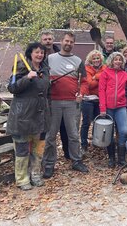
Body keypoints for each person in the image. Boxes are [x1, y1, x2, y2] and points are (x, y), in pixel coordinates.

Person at [42, 32, 89, 178]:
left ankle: (76, 160)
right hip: (53, 102)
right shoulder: (49, 58)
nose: (68, 44)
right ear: (61, 41)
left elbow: (85, 82)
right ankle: (49, 164)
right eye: (66, 41)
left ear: (74, 44)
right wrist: (46, 82)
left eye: (71, 42)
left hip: (71, 103)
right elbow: (42, 76)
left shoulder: (78, 61)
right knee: (50, 136)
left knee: (73, 135)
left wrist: (81, 93)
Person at [7, 42, 49, 190]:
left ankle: (35, 175)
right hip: (23, 115)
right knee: (22, 149)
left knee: (39, 149)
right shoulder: (21, 66)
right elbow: (12, 88)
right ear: (30, 53)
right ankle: (22, 179)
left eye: (42, 53)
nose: (40, 55)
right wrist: (27, 78)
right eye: (37, 52)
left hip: (41, 115)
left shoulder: (44, 69)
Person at [40, 30, 69, 160]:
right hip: (44, 97)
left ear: (53, 40)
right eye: (45, 39)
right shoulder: (37, 54)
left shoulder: (59, 53)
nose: (48, 41)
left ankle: (68, 152)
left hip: (59, 95)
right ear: (41, 41)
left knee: (64, 126)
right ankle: (43, 155)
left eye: (50, 39)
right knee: (46, 128)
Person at [80, 50, 106, 153]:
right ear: (91, 59)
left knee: (97, 122)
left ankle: (96, 142)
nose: (96, 60)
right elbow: (89, 84)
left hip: (100, 99)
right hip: (88, 99)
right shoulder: (86, 69)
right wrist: (100, 77)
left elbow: (106, 81)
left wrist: (96, 76)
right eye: (94, 58)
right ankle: (84, 144)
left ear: (101, 59)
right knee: (86, 122)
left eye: (98, 58)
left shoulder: (105, 68)